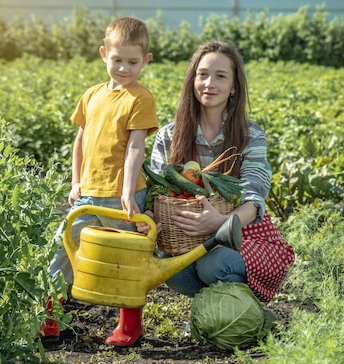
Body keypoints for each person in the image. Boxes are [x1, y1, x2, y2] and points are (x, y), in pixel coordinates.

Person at [138, 40, 295, 304]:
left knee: (214, 265)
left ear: (234, 87)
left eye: (220, 76)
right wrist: (150, 216)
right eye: (203, 74)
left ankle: (240, 311)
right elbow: (156, 190)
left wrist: (221, 222)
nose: (209, 83)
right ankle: (209, 310)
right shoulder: (169, 135)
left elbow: (254, 197)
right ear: (192, 80)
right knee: (174, 269)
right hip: (186, 235)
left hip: (242, 233)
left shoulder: (250, 135)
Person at [41, 16, 158, 346]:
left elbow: (136, 146)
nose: (124, 68)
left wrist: (126, 191)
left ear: (146, 61)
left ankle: (129, 327)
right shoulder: (91, 95)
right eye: (117, 60)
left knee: (127, 262)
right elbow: (80, 140)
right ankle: (51, 320)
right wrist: (75, 181)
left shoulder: (140, 99)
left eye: (133, 62)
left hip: (123, 197)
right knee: (62, 250)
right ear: (104, 53)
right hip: (86, 195)